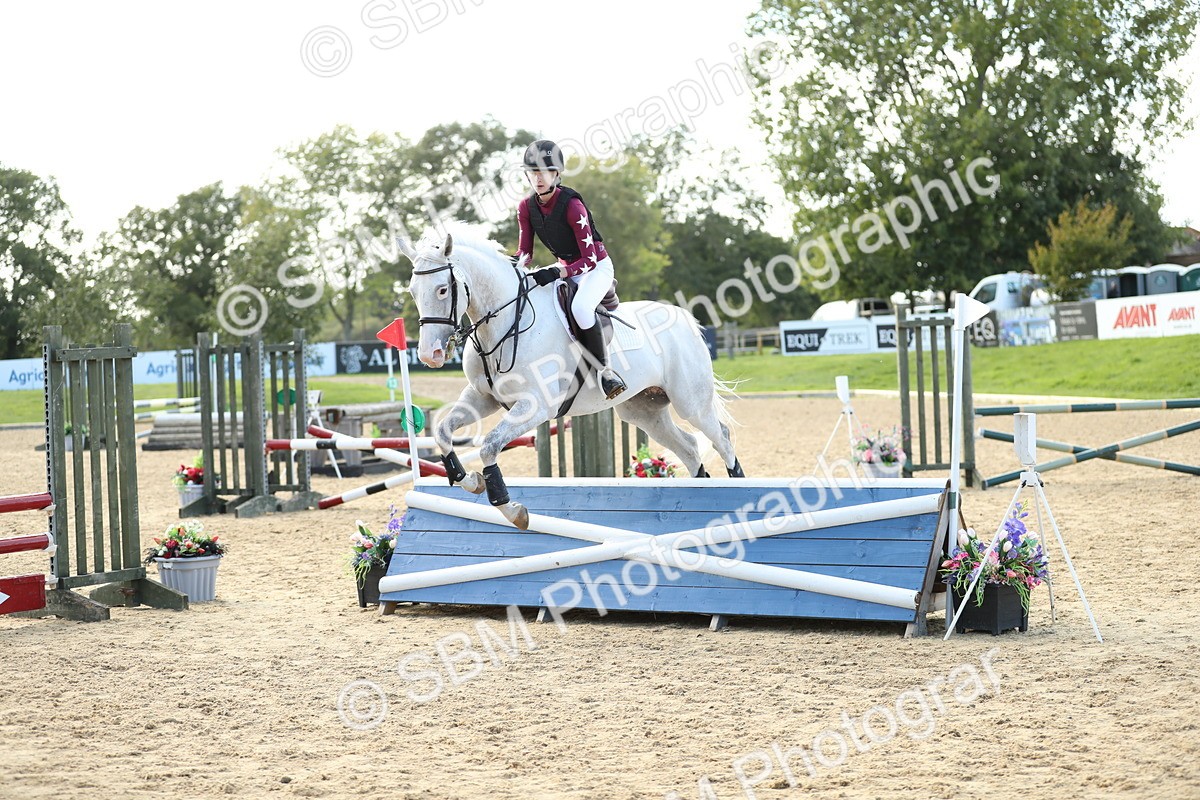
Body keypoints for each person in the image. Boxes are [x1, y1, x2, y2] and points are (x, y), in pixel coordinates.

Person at [514, 139, 626, 400]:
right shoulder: (526, 207)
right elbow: (525, 254)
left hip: (596, 266)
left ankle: (605, 371)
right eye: (533, 172)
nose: (538, 178)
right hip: (567, 266)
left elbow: (588, 259)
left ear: (556, 174)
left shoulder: (572, 206)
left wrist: (557, 272)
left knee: (580, 308)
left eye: (543, 172)